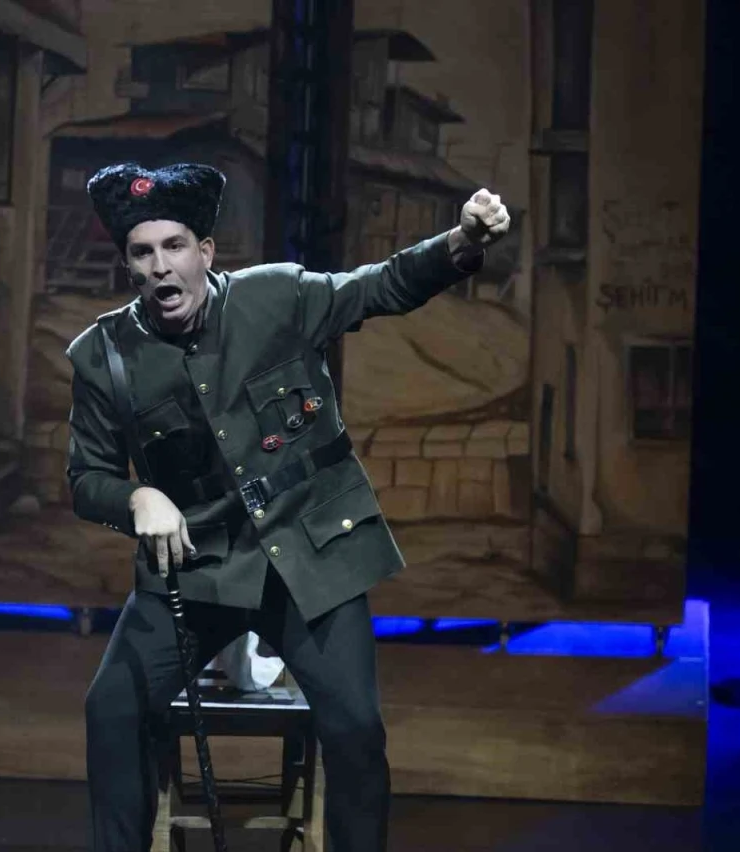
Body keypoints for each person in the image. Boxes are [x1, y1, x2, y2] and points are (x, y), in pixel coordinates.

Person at [66, 161, 510, 851]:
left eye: (174, 246)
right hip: (198, 569)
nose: (160, 267)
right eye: (143, 252)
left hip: (310, 555)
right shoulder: (103, 355)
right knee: (111, 710)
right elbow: (86, 479)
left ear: (205, 251)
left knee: (356, 729)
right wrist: (136, 496)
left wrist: (462, 241)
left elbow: (381, 286)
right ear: (128, 264)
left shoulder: (275, 296)